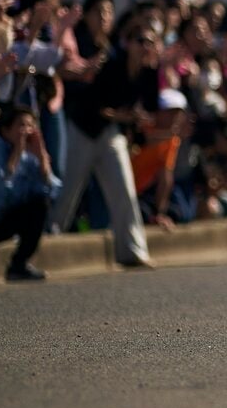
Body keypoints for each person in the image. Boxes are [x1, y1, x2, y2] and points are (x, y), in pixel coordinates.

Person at [50, 21, 158, 268]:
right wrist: (125, 116)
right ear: (128, 44)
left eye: (150, 42)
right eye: (140, 41)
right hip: (84, 130)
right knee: (70, 190)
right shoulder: (112, 66)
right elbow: (95, 107)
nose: (145, 47)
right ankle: (47, 240)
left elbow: (147, 107)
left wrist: (134, 117)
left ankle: (133, 251)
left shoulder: (149, 72)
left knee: (124, 191)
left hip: (110, 134)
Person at [0, 105, 61, 282]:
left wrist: (42, 161)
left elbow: (52, 192)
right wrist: (15, 154)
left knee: (39, 206)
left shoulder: (30, 154)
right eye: (21, 125)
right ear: (6, 129)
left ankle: (18, 265)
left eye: (30, 126)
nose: (26, 131)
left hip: (5, 220)